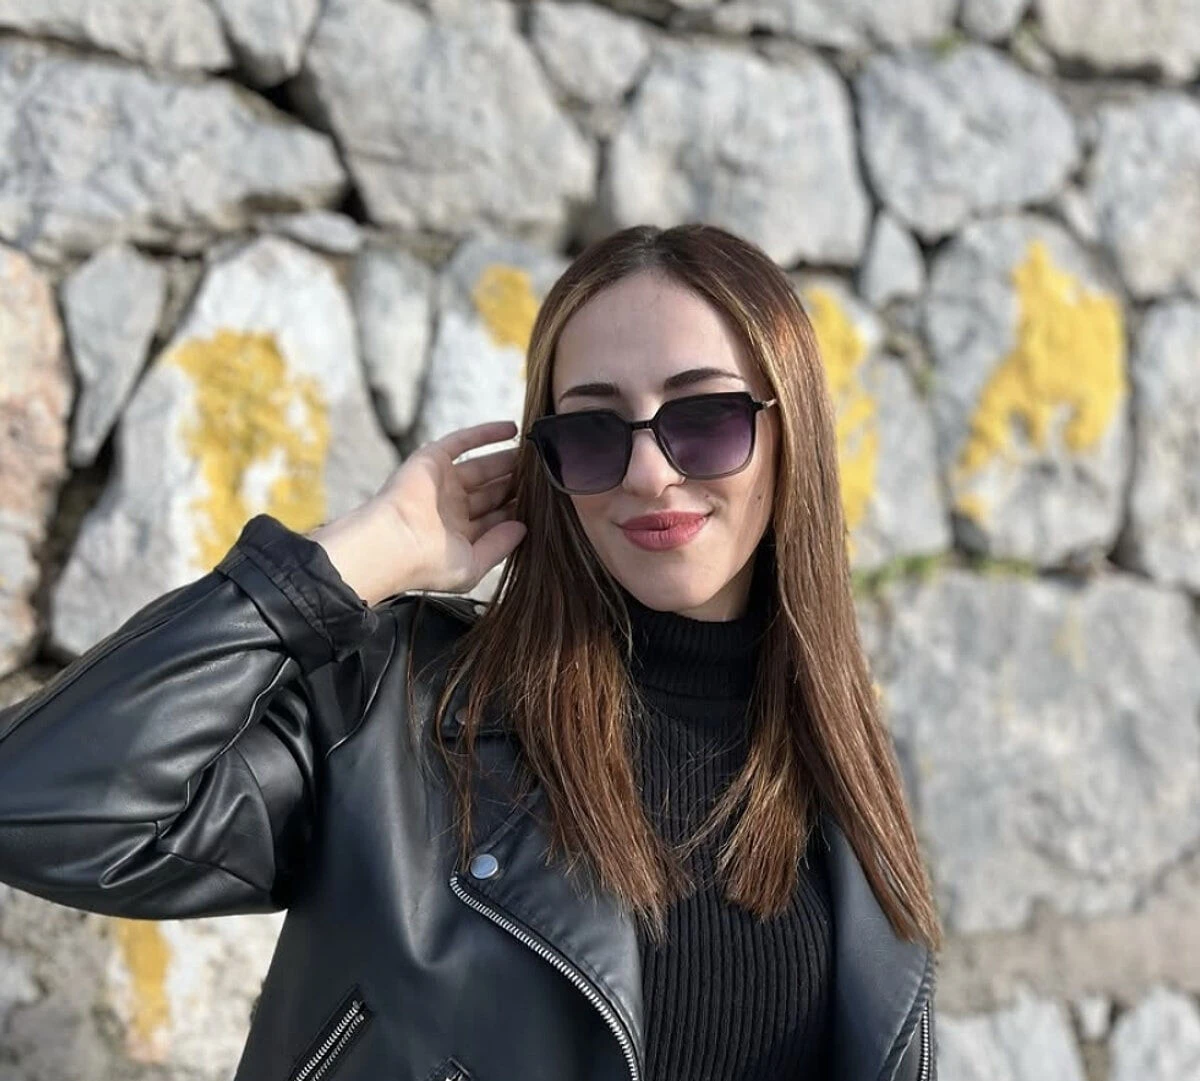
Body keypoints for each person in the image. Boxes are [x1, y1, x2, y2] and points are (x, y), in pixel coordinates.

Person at [0, 223, 940, 1081]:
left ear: (791, 433)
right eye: (591, 431)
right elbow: (41, 805)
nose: (652, 472)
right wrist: (341, 568)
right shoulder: (399, 713)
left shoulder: (840, 765)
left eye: (704, 420)